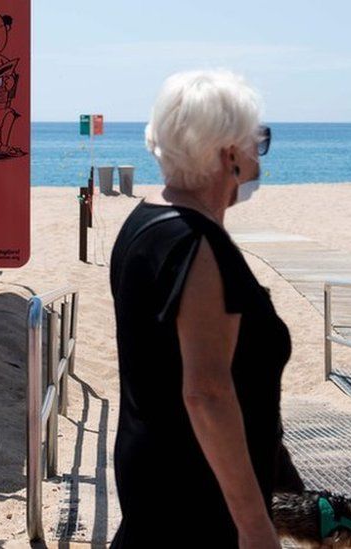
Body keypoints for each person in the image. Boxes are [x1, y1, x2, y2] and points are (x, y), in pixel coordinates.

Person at [109, 70, 296, 548]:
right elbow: (208, 393)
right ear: (229, 154)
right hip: (195, 505)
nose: (260, 155)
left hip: (153, 488)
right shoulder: (199, 245)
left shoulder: (143, 225)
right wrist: (255, 528)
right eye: (260, 142)